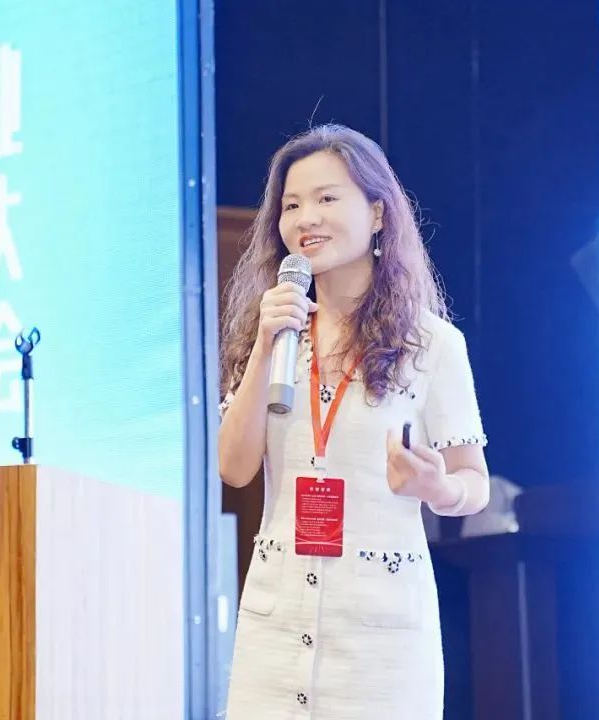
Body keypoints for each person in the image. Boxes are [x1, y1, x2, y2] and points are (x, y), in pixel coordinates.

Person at [218, 123, 489, 719]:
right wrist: (265, 344)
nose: (306, 218)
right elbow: (233, 468)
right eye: (291, 205)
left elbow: (475, 485)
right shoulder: (272, 334)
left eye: (326, 198)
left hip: (380, 642)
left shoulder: (432, 344)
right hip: (275, 628)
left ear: (378, 213)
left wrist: (436, 486)